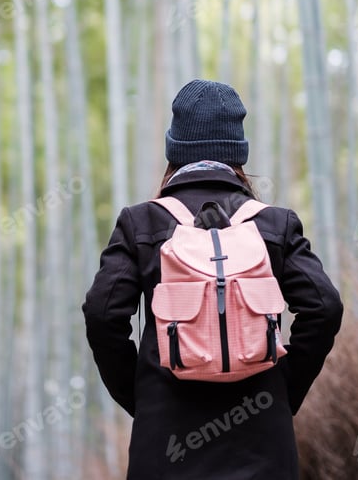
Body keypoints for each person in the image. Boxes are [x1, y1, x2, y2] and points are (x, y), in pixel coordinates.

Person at [83, 79, 343, 479]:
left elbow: (102, 315)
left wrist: (142, 393)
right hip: (263, 451)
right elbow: (324, 308)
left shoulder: (141, 222)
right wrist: (281, 389)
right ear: (238, 152)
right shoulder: (275, 224)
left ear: (175, 149)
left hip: (165, 448)